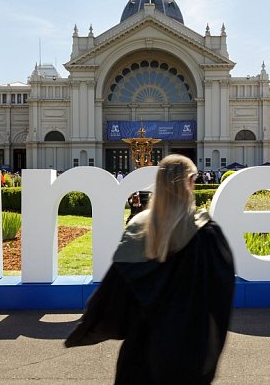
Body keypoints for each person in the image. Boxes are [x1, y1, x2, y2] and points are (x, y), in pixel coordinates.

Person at [65, 155, 235, 383]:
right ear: (191, 181)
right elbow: (220, 292)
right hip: (187, 350)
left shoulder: (137, 232)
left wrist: (88, 327)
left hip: (141, 352)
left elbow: (113, 295)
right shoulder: (206, 233)